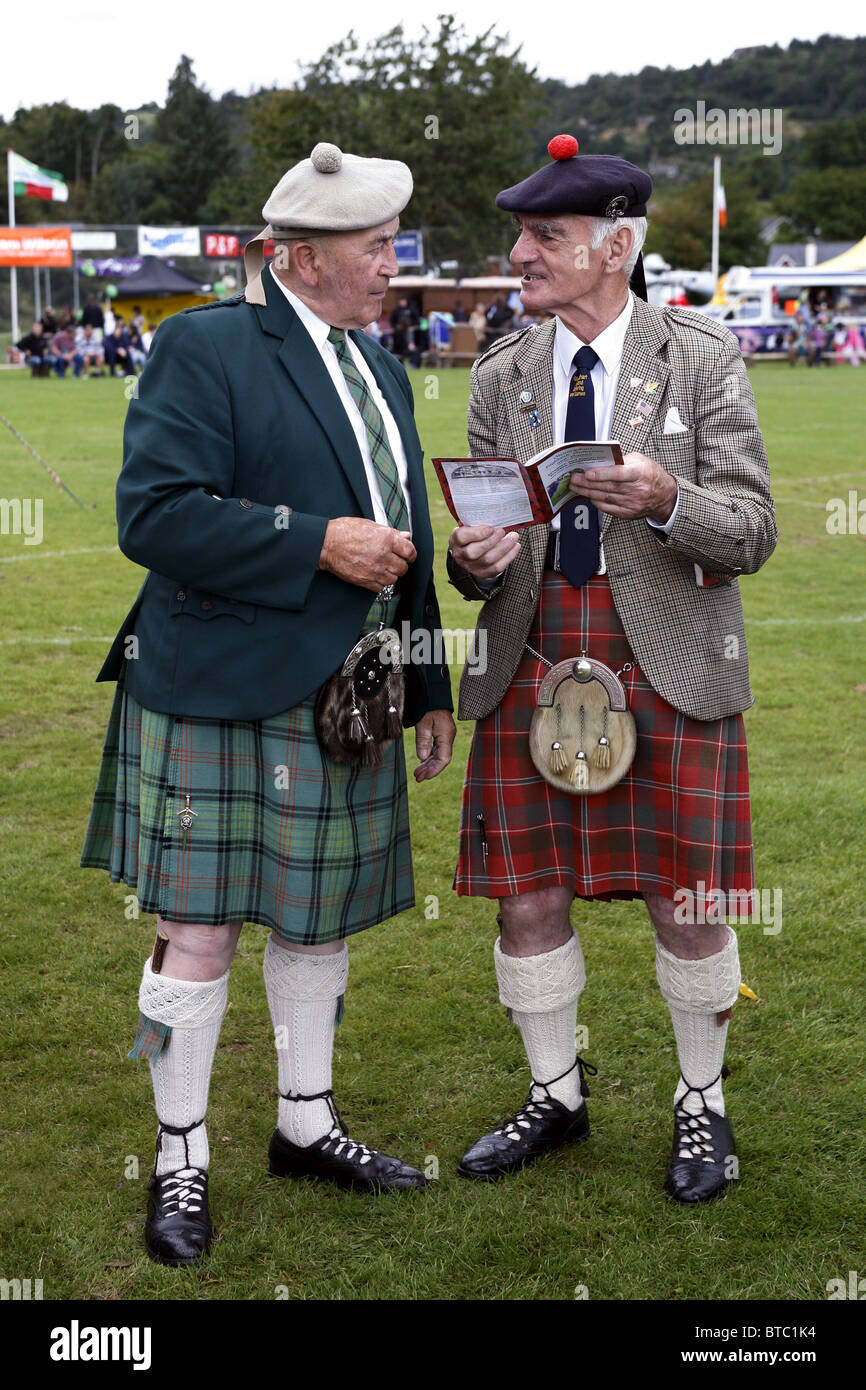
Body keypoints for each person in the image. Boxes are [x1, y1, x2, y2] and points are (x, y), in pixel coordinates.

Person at [80, 140, 456, 1267]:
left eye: (392, 244)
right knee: (194, 934)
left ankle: (305, 1123)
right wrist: (313, 544)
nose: (394, 264)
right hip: (219, 685)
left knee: (316, 922)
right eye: (375, 247)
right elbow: (155, 515)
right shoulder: (204, 343)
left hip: (351, 696)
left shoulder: (382, 369)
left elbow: (408, 540)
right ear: (298, 257)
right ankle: (181, 1153)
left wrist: (431, 681)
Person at [447, 135, 776, 1205]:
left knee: (687, 901)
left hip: (664, 662)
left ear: (615, 246)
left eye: (543, 236)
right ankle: (555, 1093)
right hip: (529, 661)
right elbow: (478, 540)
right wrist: (470, 558)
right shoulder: (501, 370)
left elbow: (753, 529)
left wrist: (665, 500)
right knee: (525, 899)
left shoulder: (701, 356)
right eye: (523, 233)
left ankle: (699, 1102)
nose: (520, 254)